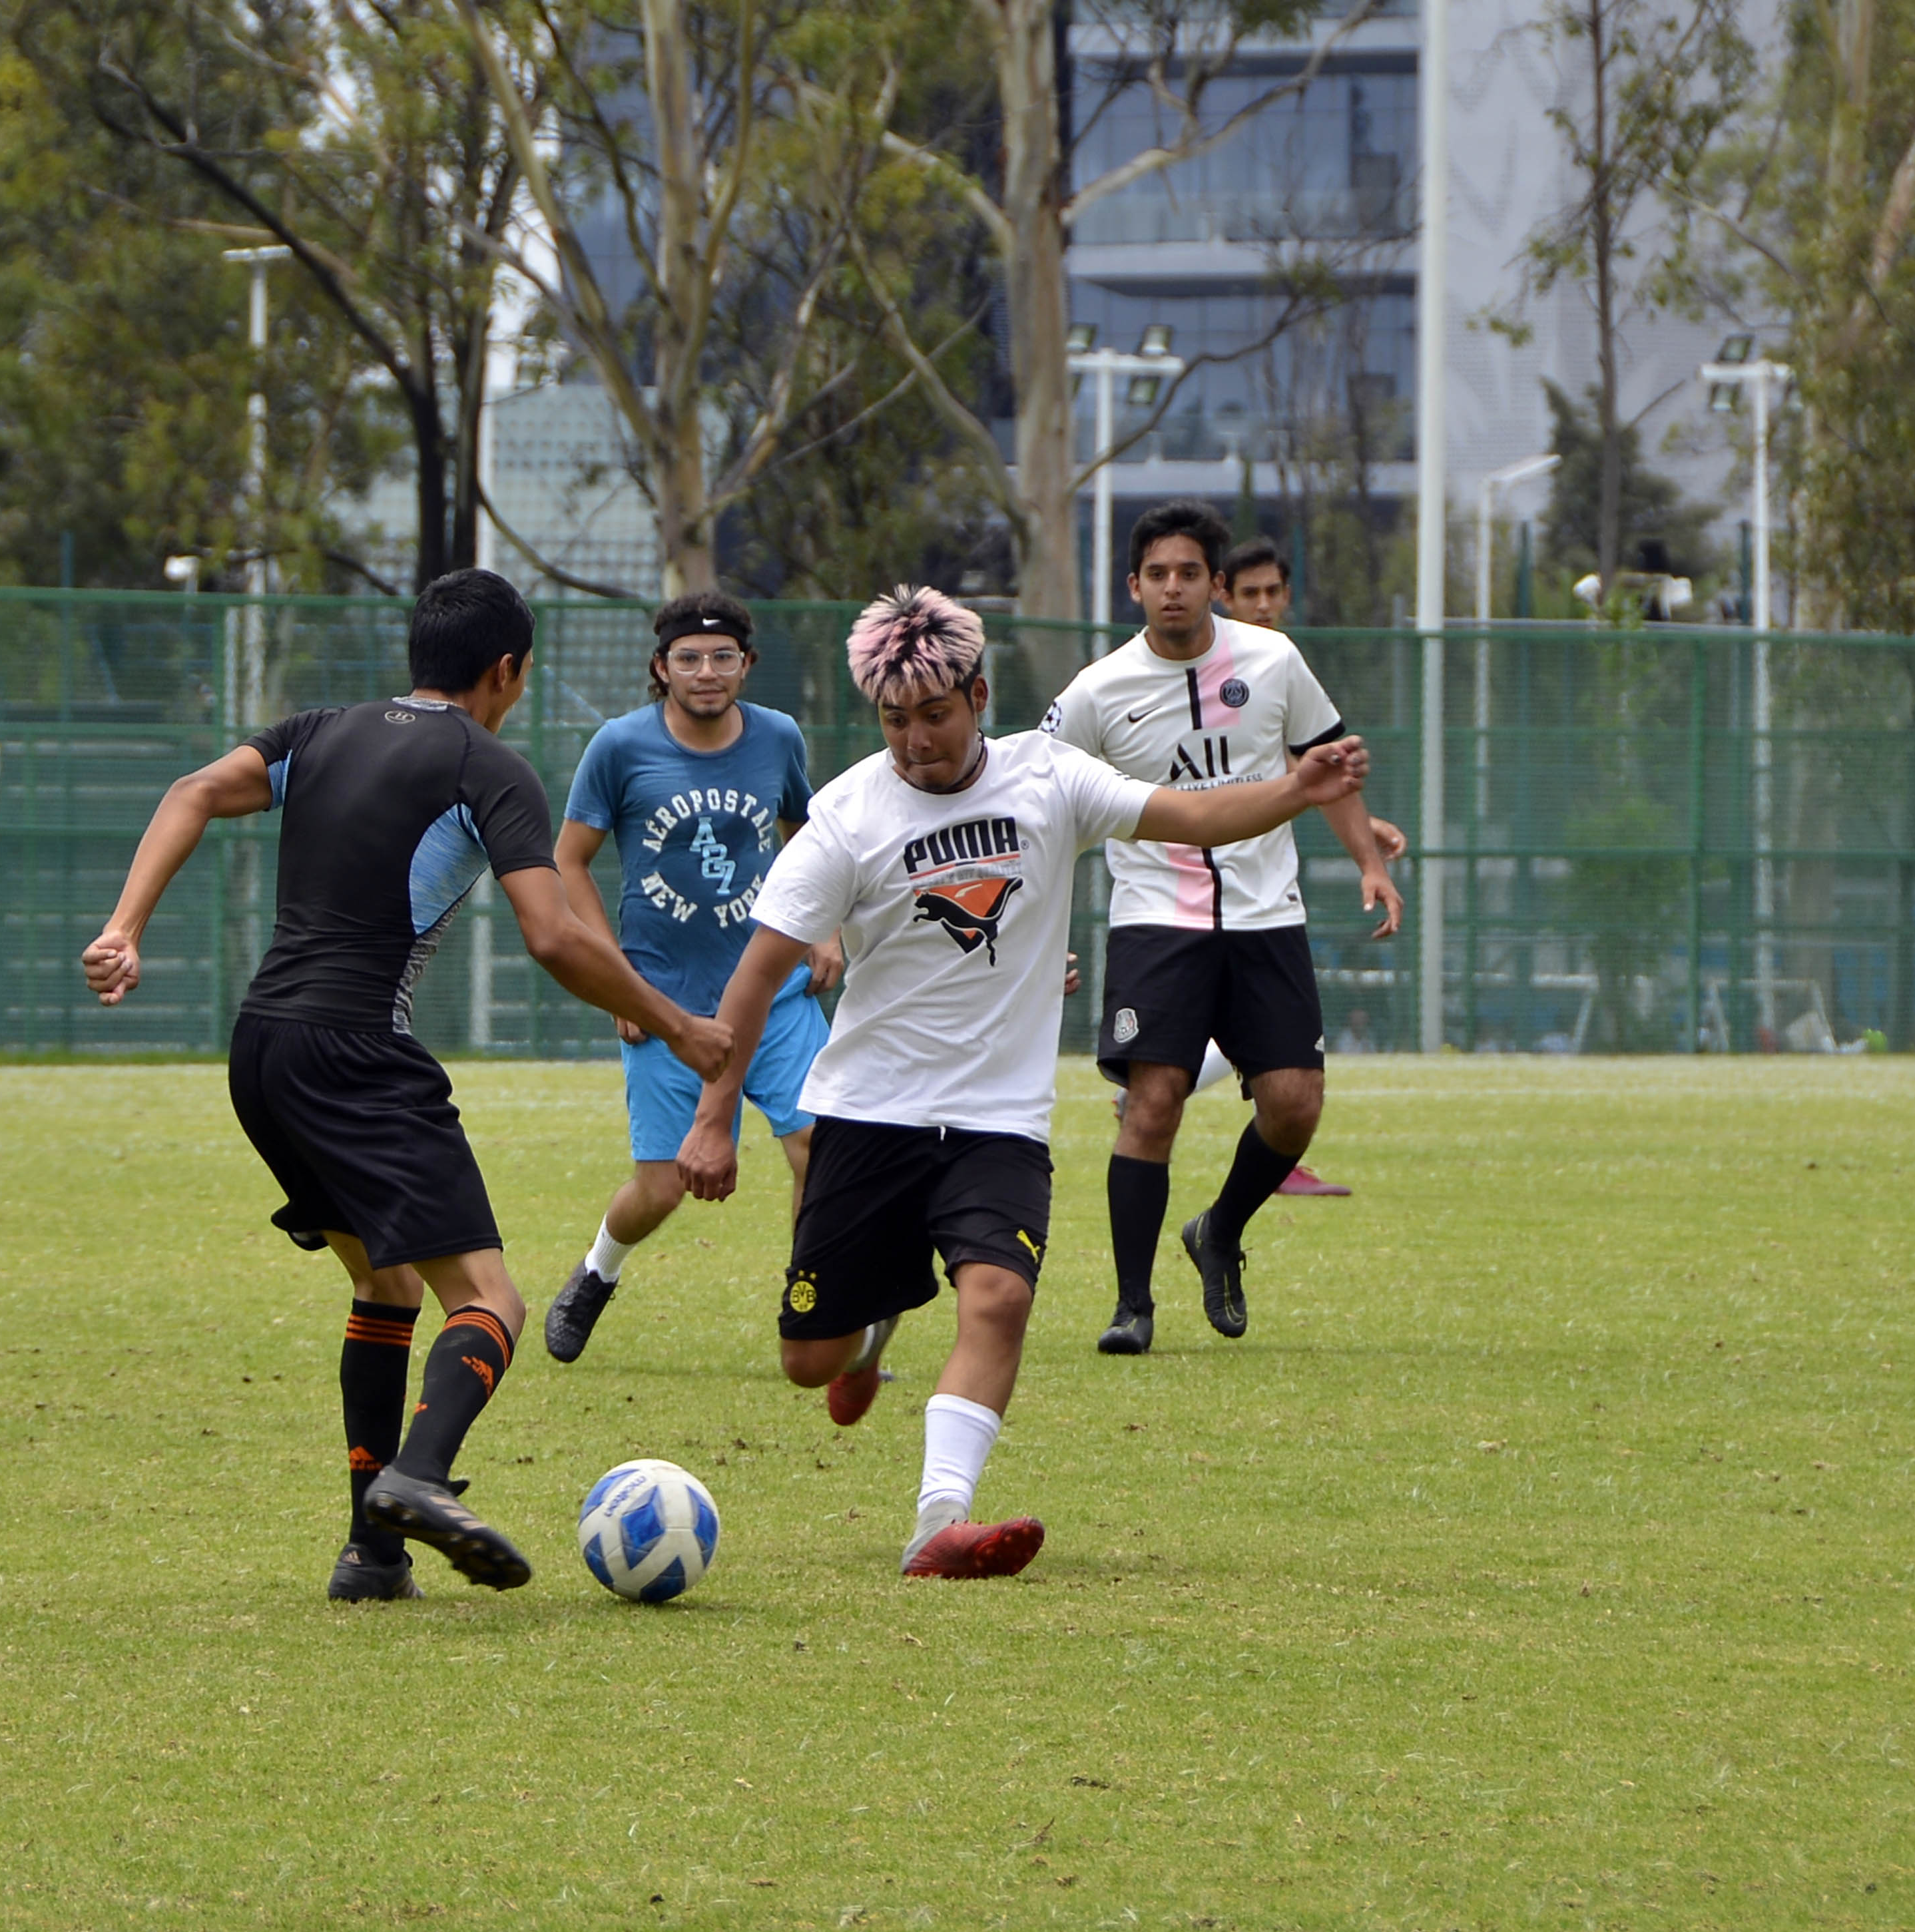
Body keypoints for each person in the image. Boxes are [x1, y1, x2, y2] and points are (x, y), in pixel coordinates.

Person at [681, 586, 1372, 1578]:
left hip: (999, 1119)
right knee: (810, 1362)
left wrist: (1297, 790)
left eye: (935, 715)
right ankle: (873, 1326)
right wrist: (715, 1123)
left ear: (978, 695)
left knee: (998, 1296)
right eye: (894, 720)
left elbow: (1195, 815)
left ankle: (938, 1521)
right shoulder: (843, 817)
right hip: (868, 1114)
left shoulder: (1050, 777)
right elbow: (753, 978)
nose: (916, 741)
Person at [81, 569, 728, 1604]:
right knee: (492, 1300)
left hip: (263, 1051)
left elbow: (191, 791)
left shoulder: (319, 730)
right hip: (354, 1049)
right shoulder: (487, 762)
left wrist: (124, 928)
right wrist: (680, 1026)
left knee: (383, 1285)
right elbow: (555, 935)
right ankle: (416, 1481)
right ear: (507, 669)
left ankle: (369, 1556)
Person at [1044, 502, 1401, 1357]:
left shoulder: (1274, 660)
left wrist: (1369, 863)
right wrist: (1036, 930)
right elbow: (1041, 810)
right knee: (1153, 1103)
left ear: (1215, 585)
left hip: (1265, 916)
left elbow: (1328, 766)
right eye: (1158, 574)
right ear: (1134, 586)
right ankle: (1133, 1306)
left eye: (1189, 573)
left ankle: (1219, 1230)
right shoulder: (1095, 691)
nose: (1174, 588)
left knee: (1293, 1105)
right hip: (1153, 922)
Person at [541, 591, 844, 1364]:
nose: (706, 672)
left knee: (819, 1145)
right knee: (663, 1188)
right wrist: (615, 980)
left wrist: (826, 929)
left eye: (722, 657)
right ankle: (595, 1274)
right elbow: (568, 861)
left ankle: (816, 1300)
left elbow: (806, 836)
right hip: (664, 1003)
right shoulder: (618, 747)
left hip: (773, 996)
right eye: (688, 658)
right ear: (660, 667)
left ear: (745, 665)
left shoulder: (778, 737)